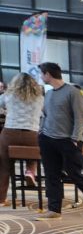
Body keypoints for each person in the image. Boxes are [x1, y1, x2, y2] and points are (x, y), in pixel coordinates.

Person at [37, 63, 83, 219]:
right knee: (51, 174)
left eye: (42, 74)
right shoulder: (49, 94)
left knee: (74, 173)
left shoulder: (73, 92)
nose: (41, 77)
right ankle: (54, 209)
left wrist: (76, 139)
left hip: (67, 140)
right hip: (47, 138)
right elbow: (45, 115)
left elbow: (80, 118)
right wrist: (41, 131)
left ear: (48, 74)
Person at [0, 73, 44, 204]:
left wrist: (5, 112)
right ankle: (30, 171)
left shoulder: (8, 96)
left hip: (10, 134)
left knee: (4, 166)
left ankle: (1, 198)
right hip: (31, 134)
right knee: (34, 151)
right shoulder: (39, 98)